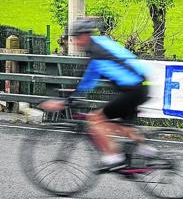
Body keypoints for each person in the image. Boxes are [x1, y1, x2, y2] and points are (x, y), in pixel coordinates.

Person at [41, 18, 157, 171]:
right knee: (117, 125)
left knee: (95, 119)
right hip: (139, 87)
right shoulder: (101, 43)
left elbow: (87, 80)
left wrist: (64, 102)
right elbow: (88, 79)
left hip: (133, 90)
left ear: (85, 36)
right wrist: (74, 93)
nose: (75, 42)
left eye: (76, 38)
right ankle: (145, 149)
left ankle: (113, 157)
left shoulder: (96, 53)